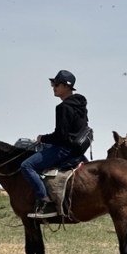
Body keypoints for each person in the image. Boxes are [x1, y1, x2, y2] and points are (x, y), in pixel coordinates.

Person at [21, 70, 89, 219]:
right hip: (78, 150)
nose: (53, 87)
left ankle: (46, 201)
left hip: (64, 150)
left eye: (57, 84)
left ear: (67, 86)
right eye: (53, 83)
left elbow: (60, 136)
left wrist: (42, 138)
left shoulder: (63, 107)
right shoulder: (80, 104)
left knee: (26, 166)